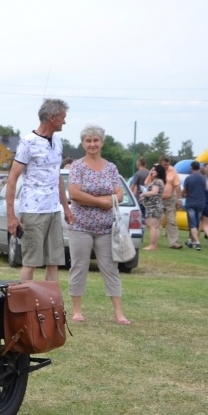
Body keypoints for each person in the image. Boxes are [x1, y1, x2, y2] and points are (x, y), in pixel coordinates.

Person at [67, 124, 130, 325]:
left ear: (102, 142)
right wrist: (102, 201)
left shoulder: (111, 167)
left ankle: (118, 312)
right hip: (80, 227)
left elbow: (120, 194)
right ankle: (77, 310)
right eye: (88, 140)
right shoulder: (77, 166)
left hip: (106, 229)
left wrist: (97, 198)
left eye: (95, 140)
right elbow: (74, 194)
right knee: (79, 267)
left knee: (111, 268)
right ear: (83, 143)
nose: (92, 144)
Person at [5, 98, 74, 281]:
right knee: (30, 262)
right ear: (52, 117)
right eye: (62, 117)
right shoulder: (28, 143)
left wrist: (65, 207)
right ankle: (22, 307)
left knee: (54, 262)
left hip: (53, 210)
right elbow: (12, 179)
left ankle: (51, 304)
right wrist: (12, 216)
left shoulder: (58, 141)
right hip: (33, 211)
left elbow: (56, 175)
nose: (65, 121)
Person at [146, 156, 182, 249]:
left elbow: (177, 185)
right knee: (156, 223)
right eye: (164, 165)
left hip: (170, 199)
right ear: (160, 164)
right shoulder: (155, 170)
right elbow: (147, 182)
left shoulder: (172, 171)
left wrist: (179, 199)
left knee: (171, 221)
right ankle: (154, 243)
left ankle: (173, 242)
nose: (166, 166)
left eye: (167, 164)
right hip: (158, 200)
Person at [139, 164, 166, 250]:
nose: (152, 171)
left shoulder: (157, 182)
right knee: (156, 226)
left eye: (154, 170)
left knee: (152, 225)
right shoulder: (159, 181)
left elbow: (154, 192)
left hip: (153, 207)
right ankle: (155, 244)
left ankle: (152, 245)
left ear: (159, 171)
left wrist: (143, 194)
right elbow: (146, 183)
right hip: (157, 206)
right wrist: (150, 173)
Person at [182, 160, 207, 250]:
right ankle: (192, 241)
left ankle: (197, 242)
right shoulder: (203, 178)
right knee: (197, 223)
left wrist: (183, 195)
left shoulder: (189, 178)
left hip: (191, 202)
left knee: (192, 224)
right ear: (199, 168)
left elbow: (184, 191)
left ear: (191, 168)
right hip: (201, 203)